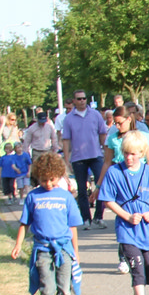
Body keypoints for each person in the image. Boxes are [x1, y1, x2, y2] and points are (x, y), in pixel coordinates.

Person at [97, 129, 149, 295]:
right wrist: (126, 216)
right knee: (137, 269)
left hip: (147, 230)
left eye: (133, 154)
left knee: (148, 271)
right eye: (126, 153)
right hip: (127, 231)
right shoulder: (114, 172)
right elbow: (108, 200)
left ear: (142, 154)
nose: (129, 158)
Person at [10, 151, 82, 295]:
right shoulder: (33, 197)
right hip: (42, 249)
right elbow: (24, 223)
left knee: (64, 289)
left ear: (59, 176)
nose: (48, 184)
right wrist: (18, 244)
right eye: (43, 180)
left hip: (63, 249)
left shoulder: (66, 197)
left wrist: (75, 251)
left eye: (52, 179)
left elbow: (72, 227)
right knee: (47, 292)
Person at [60, 90, 109, 227]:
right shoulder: (68, 119)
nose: (82, 101)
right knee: (82, 189)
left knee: (101, 184)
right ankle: (86, 218)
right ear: (74, 101)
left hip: (96, 155)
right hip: (78, 157)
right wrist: (66, 159)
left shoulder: (95, 114)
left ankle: (98, 216)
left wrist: (106, 154)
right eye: (79, 99)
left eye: (84, 98)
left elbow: (102, 134)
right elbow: (66, 140)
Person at [0, 142, 31, 207]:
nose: (19, 149)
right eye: (6, 149)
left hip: (17, 174)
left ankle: (28, 199)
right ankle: (13, 197)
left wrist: (28, 172)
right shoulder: (7, 157)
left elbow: (29, 163)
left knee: (25, 186)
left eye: (20, 147)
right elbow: (2, 166)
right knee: (11, 187)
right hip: (10, 174)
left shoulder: (23, 155)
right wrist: (0, 174)